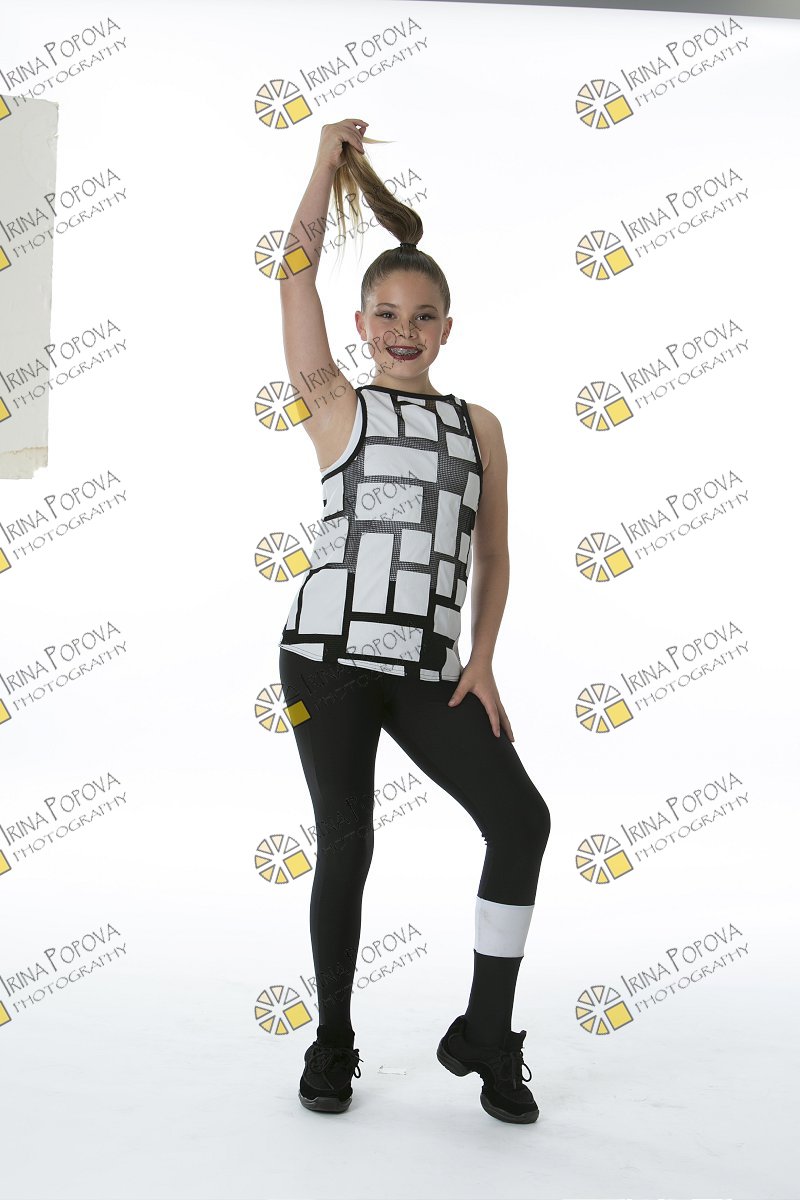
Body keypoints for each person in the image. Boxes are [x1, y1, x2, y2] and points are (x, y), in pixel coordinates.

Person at [276, 118, 551, 1124]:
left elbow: (493, 553)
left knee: (520, 821)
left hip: (432, 667)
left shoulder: (479, 428)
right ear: (360, 323)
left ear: (446, 329)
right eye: (387, 313)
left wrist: (482, 660)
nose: (405, 329)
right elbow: (292, 277)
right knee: (347, 843)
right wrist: (322, 165)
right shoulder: (335, 406)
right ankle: (333, 1041)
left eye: (424, 315)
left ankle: (486, 1033)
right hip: (327, 659)